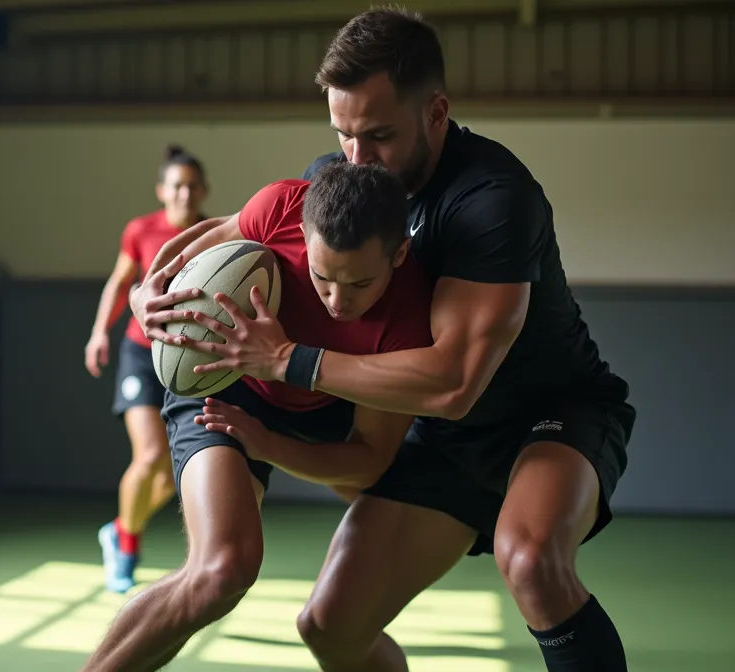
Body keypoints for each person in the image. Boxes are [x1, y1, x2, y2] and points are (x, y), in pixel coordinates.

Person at [130, 8, 635, 672]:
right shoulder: (342, 182)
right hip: (448, 441)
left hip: (551, 415)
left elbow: (454, 383)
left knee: (531, 558)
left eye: (378, 135)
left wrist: (288, 361)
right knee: (330, 625)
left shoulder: (492, 200)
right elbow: (225, 232)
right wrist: (151, 292)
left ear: (436, 111)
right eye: (343, 135)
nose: (358, 158)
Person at [81, 161, 434, 672]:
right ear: (302, 237)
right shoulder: (281, 206)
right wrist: (143, 296)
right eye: (321, 277)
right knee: (221, 571)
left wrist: (267, 444)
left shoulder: (409, 319)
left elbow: (368, 460)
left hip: (325, 403)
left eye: (359, 283)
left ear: (399, 254)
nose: (337, 300)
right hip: (224, 383)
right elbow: (201, 240)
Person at [84, 145, 210, 593]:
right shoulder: (140, 230)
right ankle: (127, 546)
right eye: (177, 184)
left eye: (193, 185)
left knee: (173, 475)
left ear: (204, 190)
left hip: (190, 358)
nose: (185, 192)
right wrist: (101, 332)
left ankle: (119, 527)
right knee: (152, 456)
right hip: (141, 353)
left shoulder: (215, 233)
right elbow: (121, 283)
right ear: (162, 190)